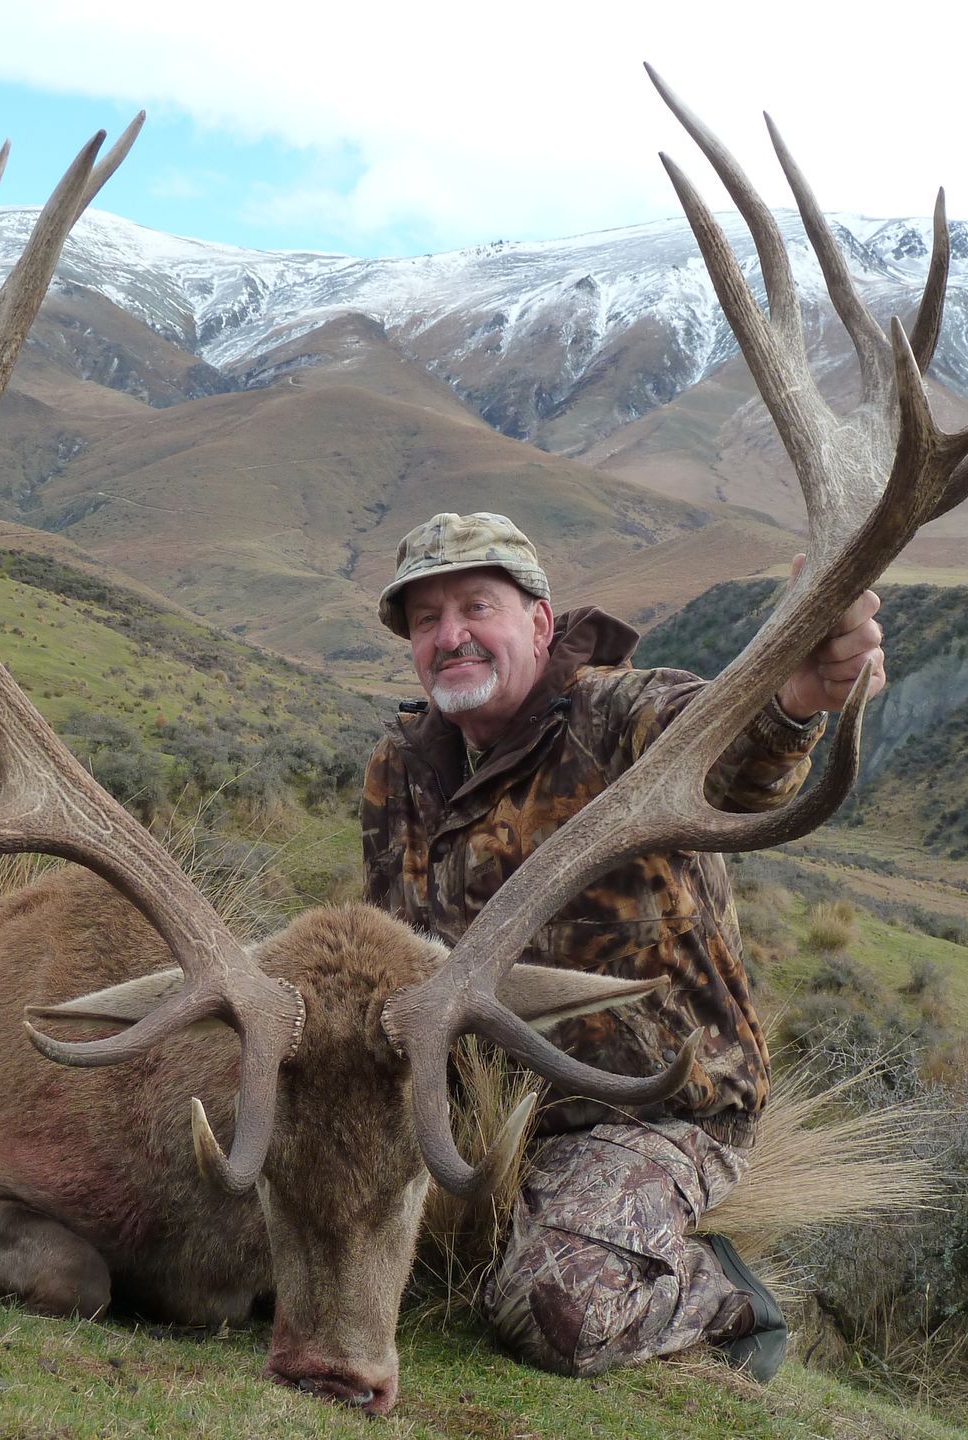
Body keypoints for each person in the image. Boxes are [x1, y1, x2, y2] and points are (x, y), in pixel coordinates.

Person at [361, 511, 885, 1382]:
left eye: (476, 607)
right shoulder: (401, 770)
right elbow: (387, 948)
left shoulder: (620, 718)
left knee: (555, 1311)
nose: (450, 635)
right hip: (470, 1107)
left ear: (537, 620)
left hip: (654, 1111)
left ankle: (727, 1301)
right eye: (426, 619)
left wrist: (791, 700)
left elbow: (730, 754)